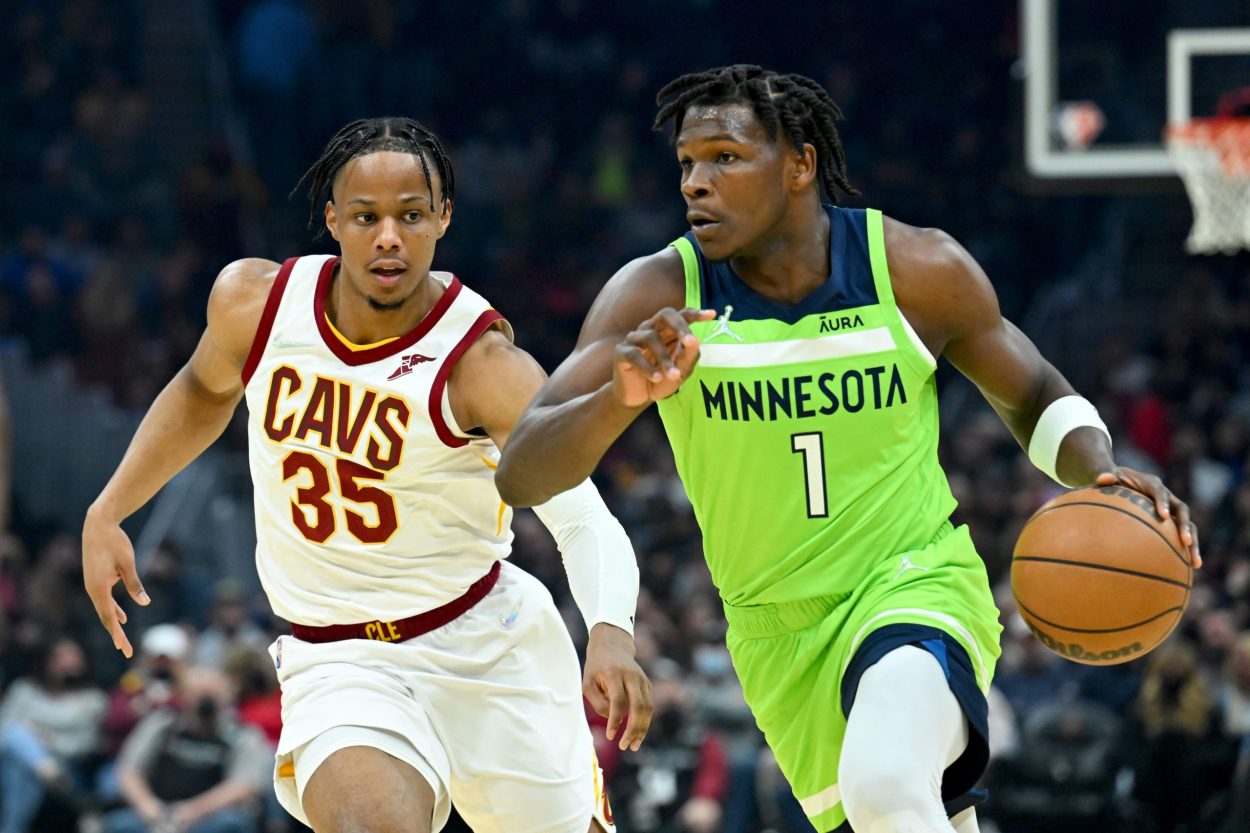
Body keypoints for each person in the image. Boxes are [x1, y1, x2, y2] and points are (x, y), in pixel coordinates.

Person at [494, 64, 1202, 833]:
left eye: (725, 158)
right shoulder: (655, 293)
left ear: (800, 162)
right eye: (687, 164)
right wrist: (617, 398)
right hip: (775, 633)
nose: (696, 182)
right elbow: (524, 469)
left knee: (887, 785)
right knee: (908, 812)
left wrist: (1097, 466)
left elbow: (1032, 391)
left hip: (912, 582)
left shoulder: (914, 269)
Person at [83, 116, 652, 833]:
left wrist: (610, 632)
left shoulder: (484, 367)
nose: (389, 235)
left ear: (442, 218)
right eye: (367, 216)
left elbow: (582, 517)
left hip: (485, 642)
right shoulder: (255, 305)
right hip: (341, 656)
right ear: (332, 220)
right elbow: (202, 391)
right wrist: (110, 508)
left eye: (411, 215)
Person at [103, 667, 272, 833]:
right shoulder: (161, 725)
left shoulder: (243, 736)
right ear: (184, 695)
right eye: (198, 693)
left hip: (209, 818)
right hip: (157, 813)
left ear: (228, 696)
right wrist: (150, 808)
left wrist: (191, 811)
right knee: (118, 824)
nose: (205, 701)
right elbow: (128, 771)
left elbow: (244, 785)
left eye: (213, 694)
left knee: (232, 823)